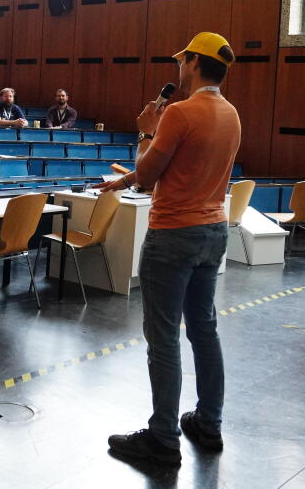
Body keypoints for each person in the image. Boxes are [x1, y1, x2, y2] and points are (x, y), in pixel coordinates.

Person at [94, 32, 240, 467]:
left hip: (174, 234)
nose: (179, 66)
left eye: (183, 60)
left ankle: (163, 439)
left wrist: (146, 130)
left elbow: (147, 174)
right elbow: (185, 167)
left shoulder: (179, 112)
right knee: (204, 330)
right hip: (213, 230)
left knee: (163, 338)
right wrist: (124, 178)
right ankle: (209, 423)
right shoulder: (231, 113)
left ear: (194, 62)